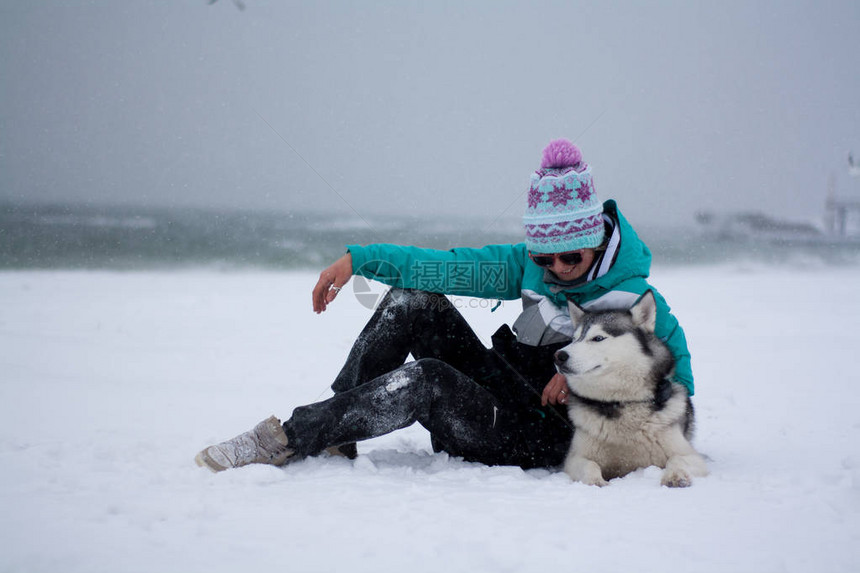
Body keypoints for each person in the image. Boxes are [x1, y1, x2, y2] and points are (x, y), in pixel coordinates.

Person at [195, 138, 693, 473]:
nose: (557, 268)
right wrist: (359, 259)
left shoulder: (638, 302)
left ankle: (285, 438)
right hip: (504, 388)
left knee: (428, 378)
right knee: (414, 301)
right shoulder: (528, 267)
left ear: (595, 242)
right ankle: (336, 428)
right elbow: (439, 267)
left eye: (571, 257)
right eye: (545, 257)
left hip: (542, 435)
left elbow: (677, 396)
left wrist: (587, 376)